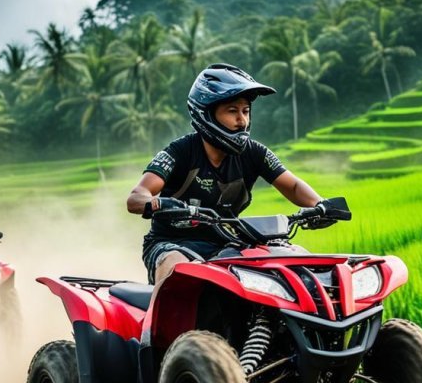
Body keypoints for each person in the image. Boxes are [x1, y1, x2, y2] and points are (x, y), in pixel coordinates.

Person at [126, 63, 333, 295]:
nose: (242, 121)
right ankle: (154, 332)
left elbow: (292, 186)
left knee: (300, 261)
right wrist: (156, 203)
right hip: (173, 243)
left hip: (228, 243)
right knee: (179, 269)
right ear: (206, 113)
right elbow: (136, 196)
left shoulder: (255, 153)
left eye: (245, 111)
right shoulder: (181, 152)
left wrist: (320, 204)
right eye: (232, 111)